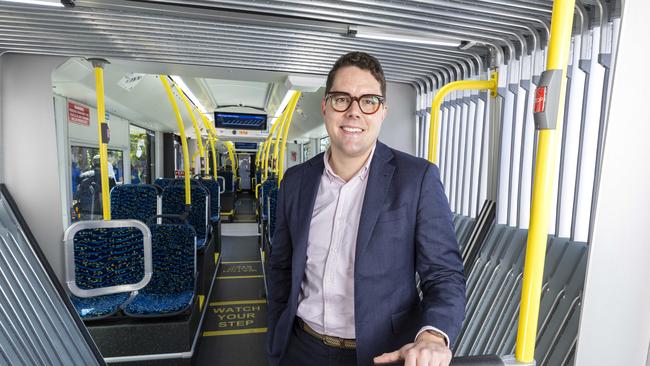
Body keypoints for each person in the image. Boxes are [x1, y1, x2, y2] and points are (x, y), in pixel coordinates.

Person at [267, 52, 466, 366]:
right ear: (325, 107)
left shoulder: (417, 179)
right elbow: (281, 266)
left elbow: (443, 275)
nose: (353, 112)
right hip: (300, 347)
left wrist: (433, 335)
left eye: (368, 101)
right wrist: (277, 336)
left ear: (383, 111)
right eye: (341, 99)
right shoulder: (295, 181)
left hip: (381, 352)